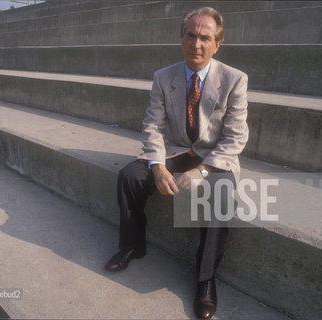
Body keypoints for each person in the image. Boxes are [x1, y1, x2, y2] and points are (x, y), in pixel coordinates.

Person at [104, 6, 248, 320]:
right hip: (175, 149)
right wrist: (157, 165)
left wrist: (203, 170)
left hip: (213, 156)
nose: (196, 44)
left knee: (221, 197)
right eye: (190, 35)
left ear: (216, 44)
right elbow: (153, 126)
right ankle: (132, 245)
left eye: (204, 38)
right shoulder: (163, 77)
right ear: (181, 38)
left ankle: (205, 280)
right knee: (130, 176)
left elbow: (235, 137)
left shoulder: (235, 80)